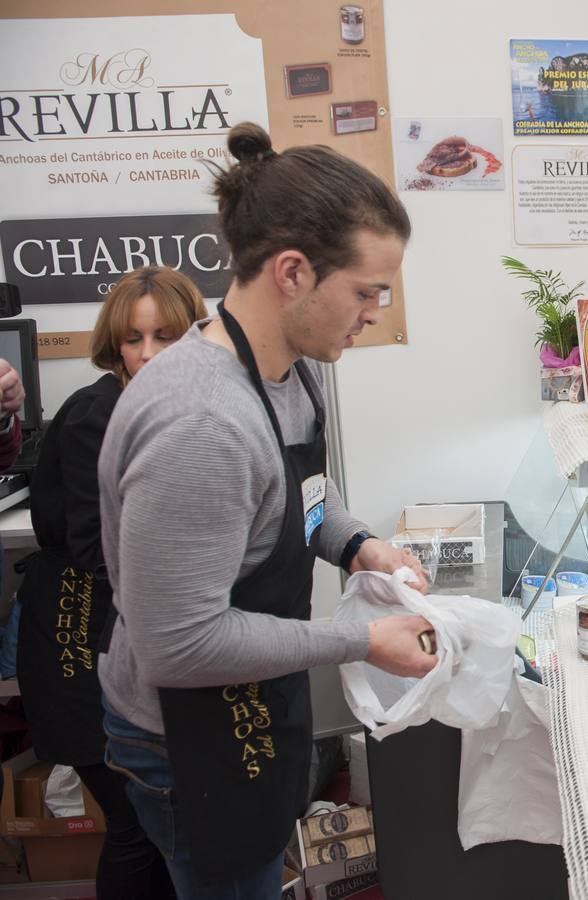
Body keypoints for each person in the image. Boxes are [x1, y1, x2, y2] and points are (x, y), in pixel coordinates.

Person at [97, 122, 437, 897]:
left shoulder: (291, 372)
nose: (376, 311)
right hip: (184, 740)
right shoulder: (200, 425)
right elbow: (180, 645)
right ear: (292, 272)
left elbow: (305, 505)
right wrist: (361, 639)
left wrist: (358, 547)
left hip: (249, 704)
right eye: (365, 291)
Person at [15, 267, 205, 898]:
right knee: (132, 827)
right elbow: (105, 552)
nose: (148, 355)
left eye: (165, 338)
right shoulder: (98, 415)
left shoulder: (182, 403)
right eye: (133, 339)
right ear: (114, 344)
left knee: (158, 828)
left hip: (130, 636)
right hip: (81, 642)